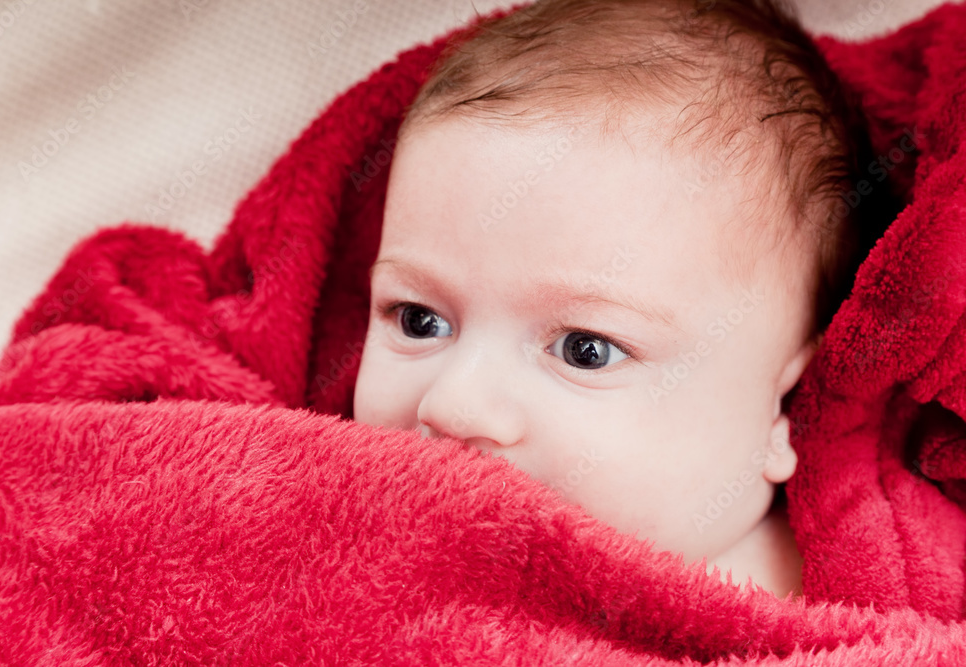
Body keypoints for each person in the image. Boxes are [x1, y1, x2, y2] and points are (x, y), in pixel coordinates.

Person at [353, 0, 886, 600]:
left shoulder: (840, 617)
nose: (451, 405)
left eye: (586, 351)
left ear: (781, 406)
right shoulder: (328, 538)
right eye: (419, 320)